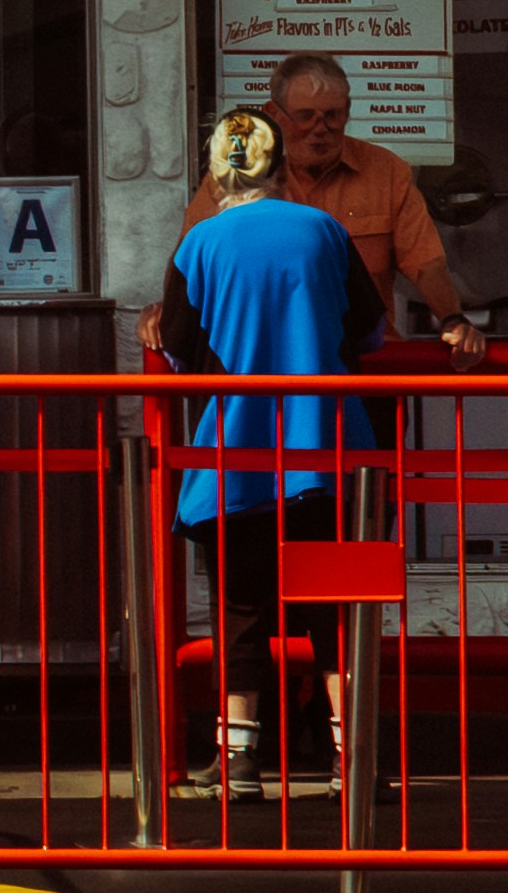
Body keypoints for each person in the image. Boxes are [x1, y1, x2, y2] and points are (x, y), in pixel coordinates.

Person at [149, 106, 372, 797]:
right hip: (329, 451)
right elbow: (365, 328)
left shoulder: (199, 243)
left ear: (217, 179)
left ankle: (239, 762)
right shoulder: (325, 229)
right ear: (280, 172)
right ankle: (352, 760)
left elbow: (181, 345)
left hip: (235, 455)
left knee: (239, 608)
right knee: (338, 610)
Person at [262, 51, 488, 359]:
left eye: (332, 115)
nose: (320, 128)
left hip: (366, 368)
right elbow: (191, 263)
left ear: (348, 111)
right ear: (274, 114)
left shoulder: (386, 172)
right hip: (270, 369)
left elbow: (426, 263)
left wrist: (452, 318)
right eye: (305, 116)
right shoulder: (242, 176)